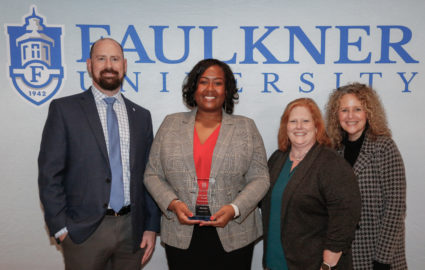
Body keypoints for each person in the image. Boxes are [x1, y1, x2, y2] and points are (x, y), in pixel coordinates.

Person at [38, 38, 161, 270]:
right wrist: (61, 228)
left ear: (124, 65)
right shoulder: (65, 110)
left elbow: (150, 175)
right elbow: (49, 174)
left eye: (115, 59)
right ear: (89, 64)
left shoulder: (141, 116)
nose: (108, 65)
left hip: (132, 230)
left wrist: (151, 226)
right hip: (83, 232)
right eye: (101, 58)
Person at [144, 58, 270, 270]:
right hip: (181, 232)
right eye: (203, 81)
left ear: (227, 90)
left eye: (218, 83)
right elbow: (152, 174)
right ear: (194, 88)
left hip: (233, 234)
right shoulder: (171, 124)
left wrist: (234, 208)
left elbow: (260, 177)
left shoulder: (245, 127)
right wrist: (173, 204)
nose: (210, 88)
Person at [262, 98, 361, 270]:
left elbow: (346, 214)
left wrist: (328, 263)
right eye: (293, 121)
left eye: (306, 121)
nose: (299, 126)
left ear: (316, 127)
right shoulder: (277, 159)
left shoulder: (331, 163)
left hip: (314, 264)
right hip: (275, 261)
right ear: (286, 127)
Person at [325, 83, 407, 270]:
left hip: (379, 256)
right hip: (344, 256)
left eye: (357, 109)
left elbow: (395, 208)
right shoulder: (334, 152)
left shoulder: (384, 147)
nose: (350, 116)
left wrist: (382, 259)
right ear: (336, 116)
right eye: (344, 110)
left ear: (368, 112)